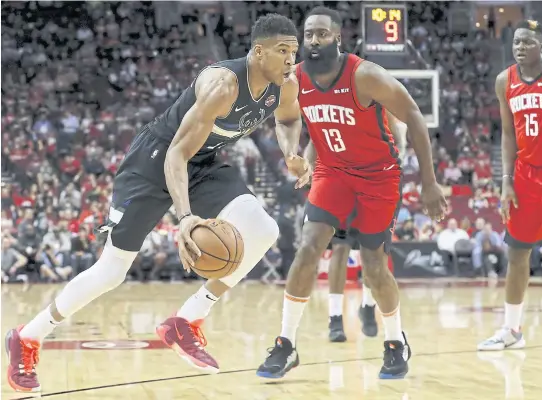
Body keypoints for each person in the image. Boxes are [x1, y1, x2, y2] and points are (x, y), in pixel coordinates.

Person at [5, 14, 311, 393]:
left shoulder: (286, 85)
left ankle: (185, 321)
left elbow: (287, 120)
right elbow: (175, 155)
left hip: (203, 162)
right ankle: (27, 336)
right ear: (258, 51)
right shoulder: (223, 86)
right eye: (283, 51)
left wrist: (291, 152)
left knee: (265, 230)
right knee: (111, 272)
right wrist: (185, 218)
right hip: (156, 159)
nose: (290, 59)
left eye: (293, 52)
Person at [256, 7, 447, 380]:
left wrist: (429, 182)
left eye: (321, 34)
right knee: (308, 247)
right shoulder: (293, 79)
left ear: (337, 38)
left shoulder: (365, 75)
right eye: (308, 34)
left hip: (378, 176)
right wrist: (293, 153)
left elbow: (415, 116)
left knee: (374, 266)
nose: (314, 40)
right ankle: (286, 343)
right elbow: (289, 118)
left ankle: (395, 342)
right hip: (332, 172)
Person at [477, 20, 542, 351]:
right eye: (516, 42)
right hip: (526, 174)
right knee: (517, 254)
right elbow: (508, 134)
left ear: (541, 45)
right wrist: (506, 181)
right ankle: (512, 330)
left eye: (527, 42)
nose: (520, 47)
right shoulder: (504, 81)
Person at [304, 114, 408, 342]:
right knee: (340, 249)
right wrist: (308, 167)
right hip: (340, 182)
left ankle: (368, 305)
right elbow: (315, 139)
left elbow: (399, 140)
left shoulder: (378, 101)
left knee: (372, 255)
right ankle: (335, 318)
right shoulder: (334, 102)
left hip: (374, 184)